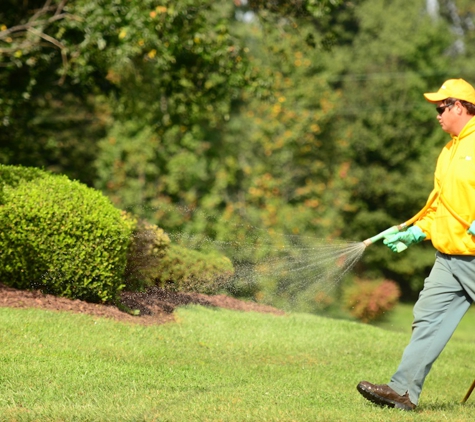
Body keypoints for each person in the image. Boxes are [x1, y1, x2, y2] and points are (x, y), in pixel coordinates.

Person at [356, 78, 475, 411]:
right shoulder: (449, 150)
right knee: (427, 317)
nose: (436, 115)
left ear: (460, 107)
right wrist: (415, 233)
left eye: (441, 108)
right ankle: (403, 391)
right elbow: (439, 206)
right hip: (449, 259)